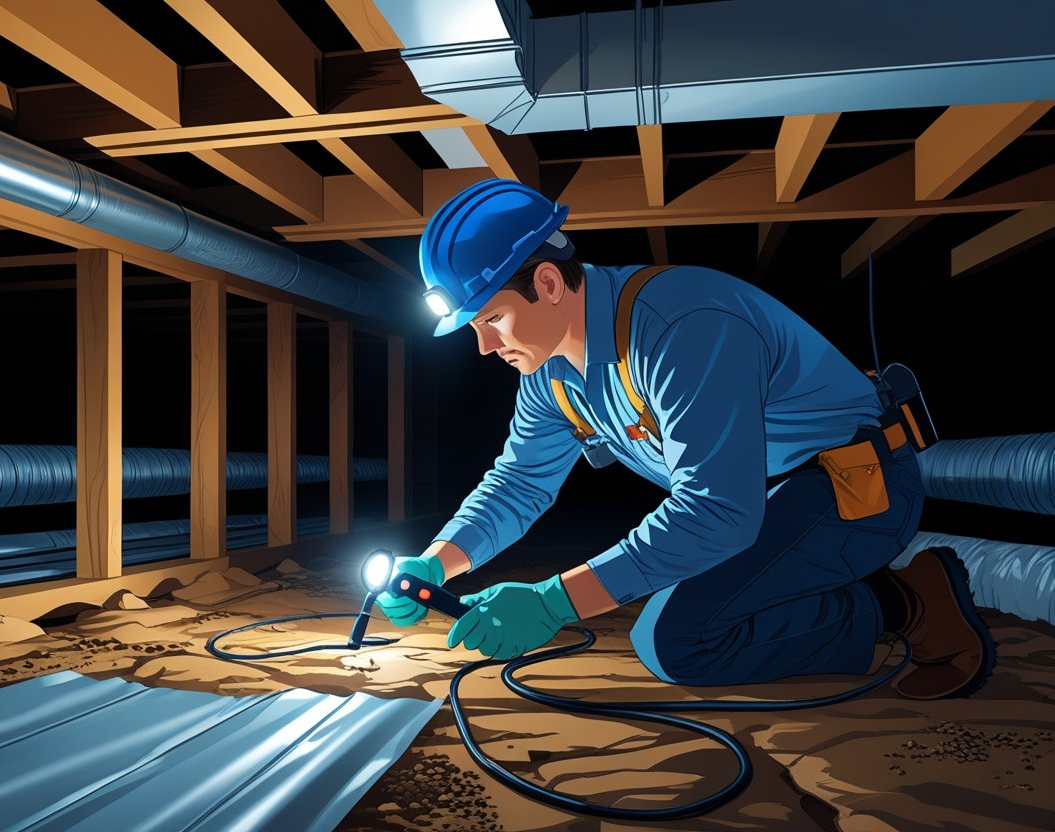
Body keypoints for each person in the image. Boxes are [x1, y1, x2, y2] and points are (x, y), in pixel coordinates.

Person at [378, 178, 994, 701]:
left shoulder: (684, 325)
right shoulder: (550, 373)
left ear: (546, 282)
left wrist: (551, 602)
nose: (485, 345)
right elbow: (518, 484)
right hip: (768, 502)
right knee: (691, 610)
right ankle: (829, 589)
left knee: (677, 639)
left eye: (490, 319)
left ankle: (909, 603)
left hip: (854, 489)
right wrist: (438, 561)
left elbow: (718, 511)